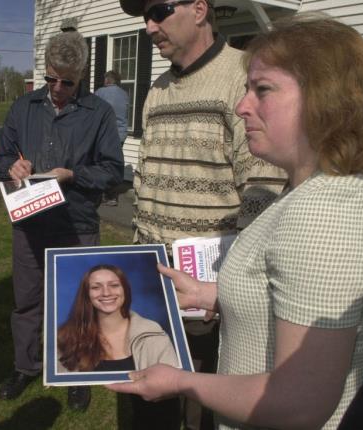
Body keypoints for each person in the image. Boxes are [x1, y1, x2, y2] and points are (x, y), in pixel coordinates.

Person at [109, 14, 363, 430]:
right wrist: (211, 292)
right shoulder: (310, 191)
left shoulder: (326, 212)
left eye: (263, 90)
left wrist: (183, 381)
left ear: (327, 98)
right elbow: (291, 295)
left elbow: (299, 403)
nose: (242, 105)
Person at [119, 1, 287, 428]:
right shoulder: (156, 88)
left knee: (203, 409)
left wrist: (224, 281)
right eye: (144, 17)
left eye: (158, 10)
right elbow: (147, 181)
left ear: (199, 9)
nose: (149, 25)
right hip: (150, 281)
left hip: (206, 292)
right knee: (146, 402)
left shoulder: (242, 76)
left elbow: (263, 189)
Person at [0, 30, 124, 411]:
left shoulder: (98, 112)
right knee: (27, 301)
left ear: (81, 75)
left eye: (67, 81)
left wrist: (73, 175)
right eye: (51, 78)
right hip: (30, 222)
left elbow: (113, 170)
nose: (57, 88)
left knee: (77, 302)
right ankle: (26, 366)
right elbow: (1, 157)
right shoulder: (24, 107)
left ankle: (76, 371)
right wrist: (12, 166)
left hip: (77, 223)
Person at [59, 264, 180, 428]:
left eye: (114, 285)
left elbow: (170, 388)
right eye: (96, 287)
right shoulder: (67, 336)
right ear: (86, 294)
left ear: (125, 290)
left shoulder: (153, 333)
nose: (106, 292)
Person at [95, 70, 129, 206]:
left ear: (108, 80)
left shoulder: (100, 93)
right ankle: (112, 196)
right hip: (121, 134)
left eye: (105, 79)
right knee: (115, 163)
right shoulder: (124, 94)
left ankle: (104, 194)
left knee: (102, 164)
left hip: (105, 134)